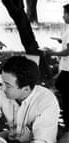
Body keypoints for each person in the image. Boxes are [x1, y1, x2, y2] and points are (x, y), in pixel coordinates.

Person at [0, 56, 60, 143]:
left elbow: (42, 141)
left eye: (8, 85)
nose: (2, 88)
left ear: (26, 89)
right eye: (2, 82)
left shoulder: (47, 102)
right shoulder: (2, 92)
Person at [41, 3, 69, 131]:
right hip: (65, 67)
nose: (63, 17)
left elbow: (68, 51)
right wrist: (60, 41)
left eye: (65, 14)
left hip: (68, 69)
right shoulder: (67, 29)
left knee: (60, 86)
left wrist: (52, 52)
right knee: (61, 89)